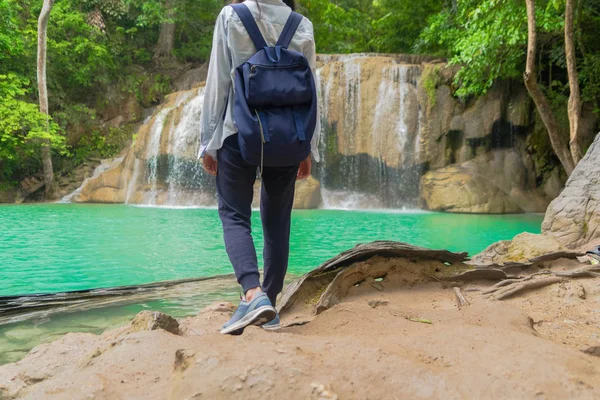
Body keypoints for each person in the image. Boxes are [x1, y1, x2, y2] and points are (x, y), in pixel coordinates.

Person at [199, 0, 320, 335]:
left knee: (234, 214)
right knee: (277, 220)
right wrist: (308, 146)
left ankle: (253, 294)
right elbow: (312, 92)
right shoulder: (302, 25)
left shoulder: (230, 16)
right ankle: (272, 304)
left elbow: (219, 81)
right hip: (288, 138)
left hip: (238, 133)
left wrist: (208, 141)